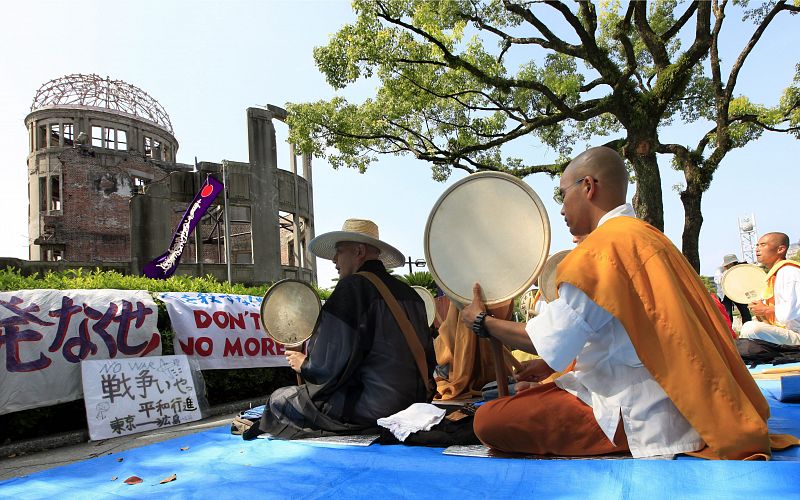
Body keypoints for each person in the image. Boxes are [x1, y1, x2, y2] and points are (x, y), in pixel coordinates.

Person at [460, 146, 796, 460]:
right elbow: (622, 329)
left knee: (488, 420)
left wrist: (482, 322)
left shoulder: (602, 250)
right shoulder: (647, 236)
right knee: (523, 397)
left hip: (636, 410)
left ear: (588, 186)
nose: (561, 209)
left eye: (563, 195)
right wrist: (551, 367)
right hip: (686, 402)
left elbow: (542, 338)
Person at [246, 218, 435, 439]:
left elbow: (330, 362)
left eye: (338, 251)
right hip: (418, 401)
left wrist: (305, 365)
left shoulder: (353, 287)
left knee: (280, 399)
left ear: (359, 251)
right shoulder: (410, 294)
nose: (334, 259)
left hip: (376, 409)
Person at [738, 233, 800, 345]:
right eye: (757, 245)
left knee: (751, 328)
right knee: (752, 324)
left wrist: (766, 309)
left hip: (797, 333)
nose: (757, 249)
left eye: (763, 245)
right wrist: (760, 311)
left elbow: (794, 310)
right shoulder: (775, 275)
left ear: (780, 249)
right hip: (787, 332)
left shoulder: (790, 272)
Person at [714, 253, 753, 324]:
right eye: (733, 263)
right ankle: (729, 334)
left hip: (738, 293)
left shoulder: (739, 269)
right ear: (728, 264)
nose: (735, 265)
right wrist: (727, 271)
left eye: (735, 263)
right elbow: (718, 281)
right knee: (727, 315)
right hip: (725, 294)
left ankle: (747, 331)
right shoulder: (719, 270)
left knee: (746, 313)